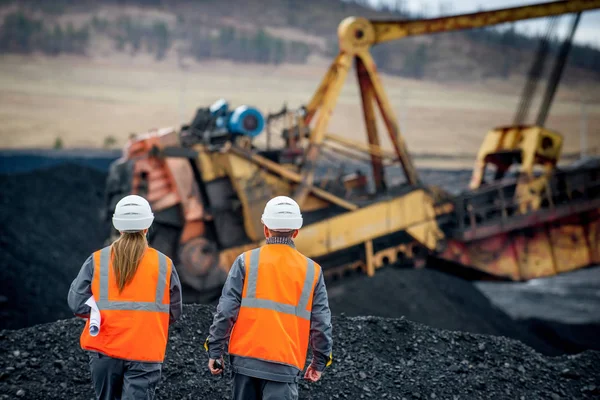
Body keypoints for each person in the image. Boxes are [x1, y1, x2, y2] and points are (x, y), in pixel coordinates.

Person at [205, 195, 333, 400]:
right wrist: (318, 363)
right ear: (296, 232)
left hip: (245, 362)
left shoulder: (245, 262)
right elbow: (321, 324)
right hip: (285, 365)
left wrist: (215, 350)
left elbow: (226, 311)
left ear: (265, 229)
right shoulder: (312, 271)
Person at [67, 194, 183, 400]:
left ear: (117, 226)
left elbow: (77, 304)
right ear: (148, 226)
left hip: (105, 350)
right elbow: (173, 312)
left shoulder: (97, 260)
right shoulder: (164, 264)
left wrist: (99, 313)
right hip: (145, 352)